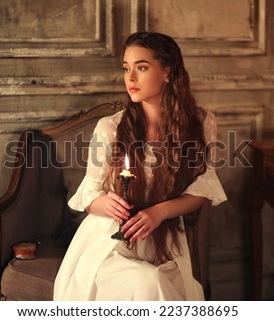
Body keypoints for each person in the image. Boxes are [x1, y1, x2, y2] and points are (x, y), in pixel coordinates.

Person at [53, 31, 227, 301]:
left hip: (164, 244)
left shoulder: (201, 123)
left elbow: (203, 188)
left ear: (167, 71)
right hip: (107, 246)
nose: (130, 78)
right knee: (148, 283)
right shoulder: (111, 127)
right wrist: (105, 204)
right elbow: (88, 193)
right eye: (126, 69)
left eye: (141, 67)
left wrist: (158, 212)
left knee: (159, 281)